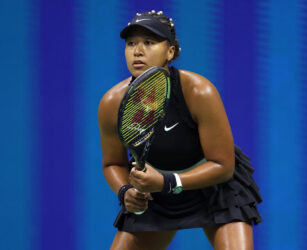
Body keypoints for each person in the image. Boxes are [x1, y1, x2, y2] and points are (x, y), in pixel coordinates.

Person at [98, 10, 262, 250]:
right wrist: (125, 191)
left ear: (171, 51)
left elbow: (223, 166)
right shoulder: (112, 103)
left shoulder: (199, 92)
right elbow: (113, 163)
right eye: (131, 43)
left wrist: (166, 181)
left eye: (149, 42)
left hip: (213, 187)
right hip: (155, 193)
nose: (138, 50)